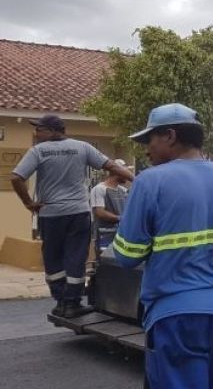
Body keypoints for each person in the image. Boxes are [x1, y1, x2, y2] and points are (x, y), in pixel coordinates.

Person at [112, 103, 213, 389]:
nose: (146, 149)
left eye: (150, 139)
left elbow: (126, 255)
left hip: (176, 314)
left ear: (170, 136)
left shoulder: (149, 181)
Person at [10, 115, 135, 318]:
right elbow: (111, 166)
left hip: (51, 214)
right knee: (76, 256)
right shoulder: (82, 147)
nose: (36, 133)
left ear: (53, 130)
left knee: (53, 258)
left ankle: (61, 301)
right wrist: (137, 179)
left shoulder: (38, 151)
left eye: (40, 129)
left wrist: (28, 203)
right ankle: (72, 303)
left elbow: (16, 178)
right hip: (78, 213)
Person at [90, 159, 132, 251]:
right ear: (118, 172)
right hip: (104, 236)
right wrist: (120, 218)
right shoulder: (99, 189)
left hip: (121, 236)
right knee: (104, 258)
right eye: (126, 172)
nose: (128, 175)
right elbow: (100, 212)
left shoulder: (123, 190)